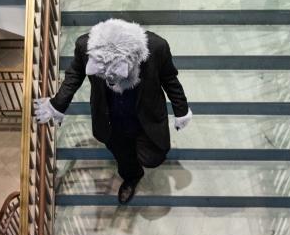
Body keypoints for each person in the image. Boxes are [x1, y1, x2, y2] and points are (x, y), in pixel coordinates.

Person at [34, 18, 192, 204]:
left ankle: (143, 159)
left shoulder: (157, 47)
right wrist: (57, 104)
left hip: (146, 116)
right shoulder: (85, 45)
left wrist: (181, 109)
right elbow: (75, 73)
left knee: (154, 157)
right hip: (110, 120)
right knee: (123, 157)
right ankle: (131, 177)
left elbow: (169, 79)